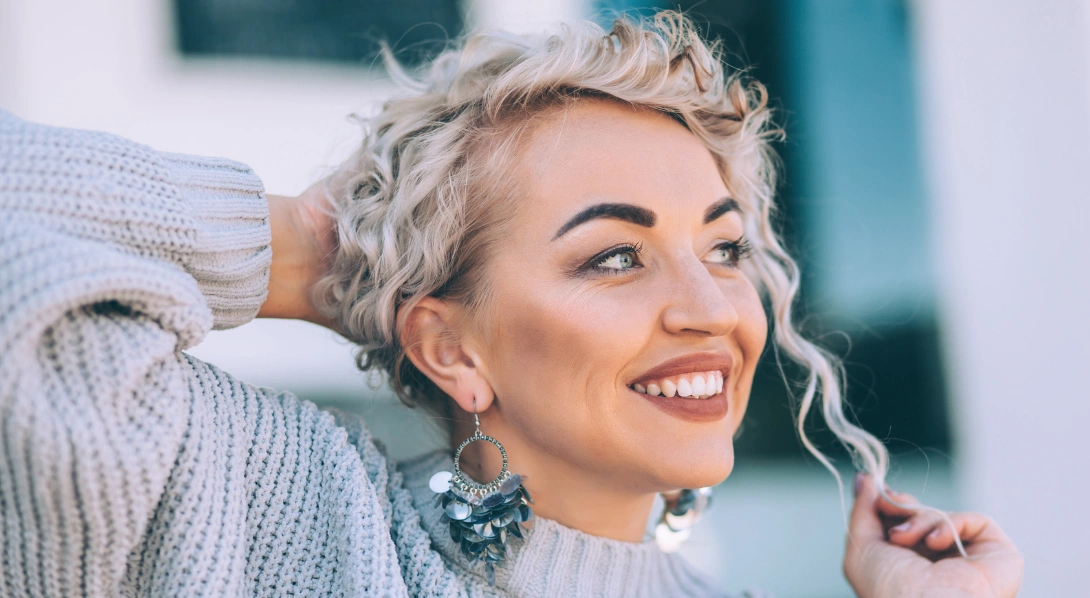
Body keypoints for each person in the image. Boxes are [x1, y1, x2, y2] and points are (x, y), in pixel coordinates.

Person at [0, 11, 1022, 598]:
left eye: (721, 246)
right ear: (448, 348)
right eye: (615, 257)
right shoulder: (262, 507)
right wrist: (313, 255)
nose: (709, 303)